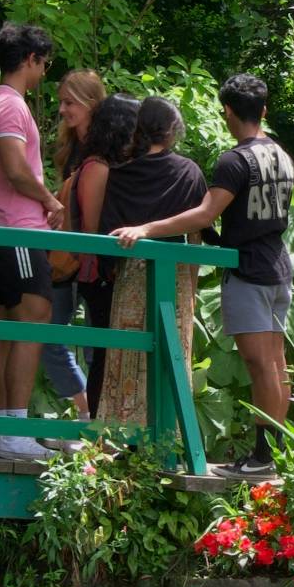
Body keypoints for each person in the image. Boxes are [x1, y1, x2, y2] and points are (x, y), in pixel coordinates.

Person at [116, 74, 294, 480]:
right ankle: (276, 452)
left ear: (228, 112)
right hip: (279, 267)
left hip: (247, 270)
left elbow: (206, 213)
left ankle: (264, 455)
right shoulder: (282, 156)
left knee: (259, 364)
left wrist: (145, 229)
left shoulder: (235, 161)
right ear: (263, 110)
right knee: (276, 362)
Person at [0, 21, 66, 461]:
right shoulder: (10, 106)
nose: (44, 73)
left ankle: (0, 428)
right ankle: (14, 429)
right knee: (32, 321)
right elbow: (13, 167)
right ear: (30, 60)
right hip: (19, 231)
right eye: (44, 64)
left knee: (2, 329)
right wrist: (49, 199)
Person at [99, 96, 207, 425]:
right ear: (173, 130)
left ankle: (119, 433)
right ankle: (170, 436)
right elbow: (197, 235)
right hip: (174, 275)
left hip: (131, 274)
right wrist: (191, 284)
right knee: (172, 356)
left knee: (127, 356)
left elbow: (108, 236)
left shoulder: (120, 174)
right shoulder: (189, 172)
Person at [63, 92, 140, 415]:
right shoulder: (97, 167)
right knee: (102, 355)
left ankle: (103, 429)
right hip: (98, 275)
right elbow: (94, 230)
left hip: (103, 273)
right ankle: (97, 430)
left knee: (106, 353)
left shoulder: (103, 164)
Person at [43, 68, 109, 426]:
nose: (63, 110)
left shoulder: (105, 151)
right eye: (61, 103)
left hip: (94, 261)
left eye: (70, 103)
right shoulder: (70, 148)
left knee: (94, 346)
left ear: (91, 103)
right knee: (49, 336)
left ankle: (93, 419)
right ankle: (85, 409)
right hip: (63, 257)